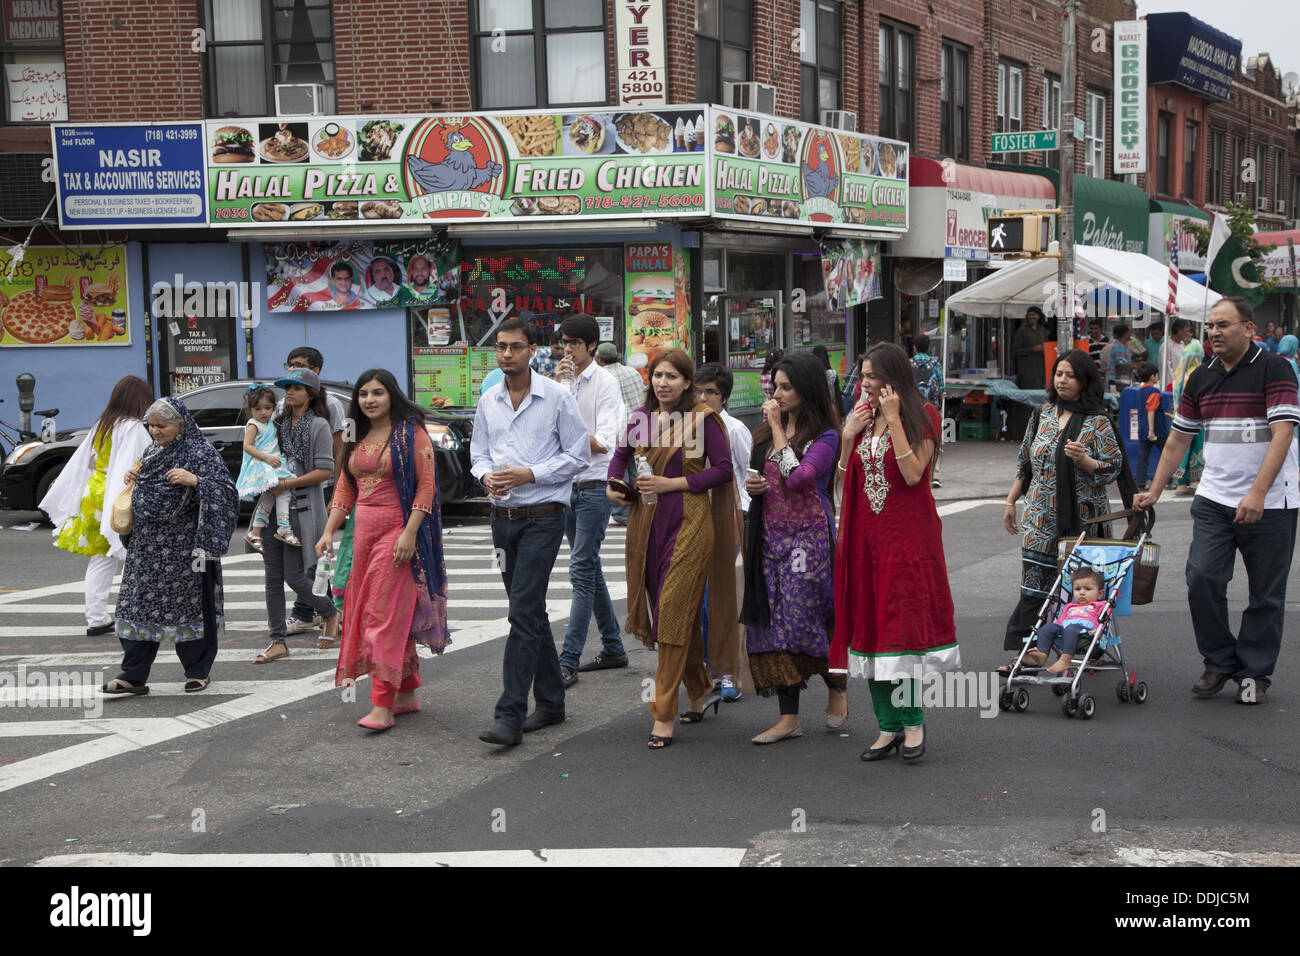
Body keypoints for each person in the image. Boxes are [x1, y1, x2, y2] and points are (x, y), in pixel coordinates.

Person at [1135, 297, 1300, 705]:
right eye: (1210, 326)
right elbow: (1178, 439)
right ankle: (1220, 661)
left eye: (1223, 325)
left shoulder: (1275, 369)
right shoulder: (1200, 376)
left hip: (1272, 501)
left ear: (1248, 328)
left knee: (1265, 593)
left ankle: (1255, 674)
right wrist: (1155, 489)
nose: (1214, 333)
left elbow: (1282, 434)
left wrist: (1258, 492)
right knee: (1202, 578)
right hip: (1213, 498)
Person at [830, 343, 957, 763]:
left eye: (871, 377)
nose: (864, 384)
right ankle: (886, 727)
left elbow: (911, 473)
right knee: (869, 630)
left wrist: (894, 421)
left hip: (906, 541)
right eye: (862, 377)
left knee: (900, 634)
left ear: (893, 379)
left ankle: (913, 723)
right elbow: (844, 481)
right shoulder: (862, 420)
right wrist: (849, 437)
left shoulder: (925, 416)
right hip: (866, 539)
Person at [607, 349, 738, 750]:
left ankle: (662, 713)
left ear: (687, 383)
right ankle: (700, 688)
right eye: (657, 375)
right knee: (673, 613)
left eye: (672, 376)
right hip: (647, 523)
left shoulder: (702, 419)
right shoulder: (641, 418)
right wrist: (613, 485)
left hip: (691, 523)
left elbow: (723, 469)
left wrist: (672, 484)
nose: (663, 383)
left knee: (672, 611)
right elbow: (619, 458)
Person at [471, 317, 590, 746]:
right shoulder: (489, 401)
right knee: (531, 611)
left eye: (516, 347)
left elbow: (578, 455)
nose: (507, 354)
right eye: (501, 347)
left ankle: (509, 715)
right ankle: (553, 702)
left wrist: (529, 474)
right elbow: (478, 454)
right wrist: (487, 477)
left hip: (543, 516)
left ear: (532, 350)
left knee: (521, 612)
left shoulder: (556, 397)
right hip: (502, 518)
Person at [318, 369, 450, 731]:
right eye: (363, 394)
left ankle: (382, 704)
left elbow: (426, 489)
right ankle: (406, 694)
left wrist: (408, 534)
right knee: (371, 613)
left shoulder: (412, 433)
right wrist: (329, 531)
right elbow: (345, 489)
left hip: (397, 533)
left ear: (392, 395)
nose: (369, 400)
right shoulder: (353, 433)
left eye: (377, 393)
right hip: (361, 536)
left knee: (383, 617)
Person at [741, 353, 844, 743]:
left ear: (807, 389)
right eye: (775, 386)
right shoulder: (766, 433)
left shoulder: (826, 436)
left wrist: (777, 426)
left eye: (786, 387)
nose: (778, 394)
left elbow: (799, 478)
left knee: (809, 619)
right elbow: (758, 475)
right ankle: (789, 718)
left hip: (809, 539)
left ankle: (836, 685)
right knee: (776, 627)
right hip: (770, 537)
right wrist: (754, 488)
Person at [104, 398, 238, 695]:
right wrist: (135, 479)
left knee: (192, 609)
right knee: (138, 606)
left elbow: (227, 493)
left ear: (181, 424)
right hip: (147, 549)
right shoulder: (151, 452)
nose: (154, 431)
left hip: (187, 549)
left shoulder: (200, 453)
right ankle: (133, 675)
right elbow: (150, 486)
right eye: (150, 425)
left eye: (161, 426)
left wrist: (196, 481)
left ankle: (198, 671)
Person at [1001, 350, 1125, 655]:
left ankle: (1083, 650)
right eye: (1059, 374)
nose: (1063, 380)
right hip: (1039, 520)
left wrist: (1085, 461)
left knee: (1080, 591)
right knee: (1034, 589)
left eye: (1070, 375)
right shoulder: (1041, 415)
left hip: (1082, 523)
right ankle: (1027, 652)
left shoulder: (1098, 422)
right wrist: (1010, 502)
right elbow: (1024, 464)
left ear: (1084, 381)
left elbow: (1113, 467)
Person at [40, 375, 152, 637]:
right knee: (133, 556)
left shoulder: (102, 424)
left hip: (94, 496)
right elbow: (144, 461)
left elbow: (88, 461)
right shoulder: (133, 427)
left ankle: (97, 618)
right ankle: (138, 614)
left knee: (102, 558)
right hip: (120, 495)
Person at [554, 315, 628, 686]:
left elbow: (603, 442)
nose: (567, 349)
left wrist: (568, 430)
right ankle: (613, 646)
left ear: (590, 346)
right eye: (564, 342)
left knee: (581, 570)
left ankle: (567, 660)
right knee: (590, 568)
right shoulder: (562, 385)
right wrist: (555, 390)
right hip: (566, 487)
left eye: (573, 343)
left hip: (596, 486)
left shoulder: (606, 384)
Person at [252, 369, 342, 662]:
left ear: (311, 393)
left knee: (296, 576)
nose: (289, 392)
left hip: (300, 509)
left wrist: (287, 483)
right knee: (272, 578)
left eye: (297, 388)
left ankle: (329, 611)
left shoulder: (318, 426)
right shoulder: (276, 424)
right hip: (272, 506)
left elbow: (325, 471)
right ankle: (277, 640)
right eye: (287, 388)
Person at [279, 347, 347, 636]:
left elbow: (338, 447)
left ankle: (317, 611)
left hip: (315, 491)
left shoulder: (328, 407)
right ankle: (317, 609)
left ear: (315, 373)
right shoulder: (282, 411)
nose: (292, 372)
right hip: (285, 498)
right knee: (299, 562)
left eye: (300, 367)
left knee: (312, 559)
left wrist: (339, 491)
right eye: (289, 365)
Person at [694, 362, 751, 701]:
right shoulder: (686, 427)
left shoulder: (735, 429)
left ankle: (727, 672)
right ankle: (703, 669)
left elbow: (745, 476)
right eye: (698, 391)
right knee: (698, 599)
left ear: (724, 396)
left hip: (728, 515)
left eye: (710, 392)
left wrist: (741, 517)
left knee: (721, 597)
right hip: (692, 518)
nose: (703, 397)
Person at [236, 384, 297, 552]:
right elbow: (247, 446)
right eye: (258, 408)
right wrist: (267, 458)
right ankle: (283, 527)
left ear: (273, 408)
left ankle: (256, 532)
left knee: (270, 498)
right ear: (250, 409)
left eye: (267, 408)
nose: (263, 412)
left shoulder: (271, 423)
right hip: (265, 464)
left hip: (275, 463)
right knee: (282, 493)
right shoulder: (253, 425)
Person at [595, 342, 645, 526]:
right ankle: (638, 508)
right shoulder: (633, 372)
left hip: (618, 431)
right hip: (639, 427)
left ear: (599, 358)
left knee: (619, 473)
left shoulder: (603, 377)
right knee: (636, 470)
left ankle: (622, 514)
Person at [1023, 567, 1107, 676]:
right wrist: (1052, 629)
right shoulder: (1069, 606)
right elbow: (1060, 622)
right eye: (1077, 589)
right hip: (1065, 630)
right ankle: (1041, 655)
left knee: (1071, 628)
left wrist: (1099, 632)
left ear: (1100, 593)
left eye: (1087, 589)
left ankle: (1065, 659)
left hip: (1086, 632)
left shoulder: (1100, 605)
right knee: (1048, 627)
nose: (1081, 593)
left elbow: (1104, 621)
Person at [1171, 339, 1206, 496]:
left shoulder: (1179, 373)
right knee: (1195, 449)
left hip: (1179, 416)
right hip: (1196, 416)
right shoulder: (1198, 373)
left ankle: (1180, 483)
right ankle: (1194, 481)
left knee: (1181, 449)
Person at [910, 334, 945, 489]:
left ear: (914, 348)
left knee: (914, 438)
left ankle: (916, 470)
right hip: (933, 408)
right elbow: (942, 390)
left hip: (912, 408)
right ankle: (935, 475)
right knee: (935, 439)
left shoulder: (908, 364)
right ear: (928, 347)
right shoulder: (935, 364)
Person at [1132, 362, 1170, 491]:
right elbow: (1151, 410)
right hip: (1157, 431)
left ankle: (1141, 482)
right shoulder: (1154, 391)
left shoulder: (1141, 391)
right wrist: (1152, 431)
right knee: (1167, 455)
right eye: (1156, 374)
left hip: (1143, 430)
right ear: (1153, 376)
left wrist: (1164, 413)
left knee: (1143, 458)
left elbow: (1148, 408)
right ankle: (1169, 481)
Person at [1012, 307, 1048, 390]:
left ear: (1039, 316)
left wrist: (1044, 349)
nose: (1031, 317)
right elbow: (1015, 351)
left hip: (1040, 369)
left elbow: (1047, 345)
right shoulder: (1022, 330)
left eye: (1034, 315)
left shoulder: (1042, 330)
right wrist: (1032, 349)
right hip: (1027, 370)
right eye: (1029, 315)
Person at [1159, 319, 1192, 389]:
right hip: (1171, 386)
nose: (1188, 334)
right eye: (1187, 331)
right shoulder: (1166, 346)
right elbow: (1167, 370)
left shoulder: (1183, 344)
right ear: (1179, 331)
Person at [1107, 323, 1133, 389]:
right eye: (1129, 332)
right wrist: (1135, 366)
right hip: (1118, 381)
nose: (1130, 334)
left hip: (1120, 380)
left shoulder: (1122, 346)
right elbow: (1121, 364)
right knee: (1117, 398)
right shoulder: (1119, 347)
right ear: (1125, 334)